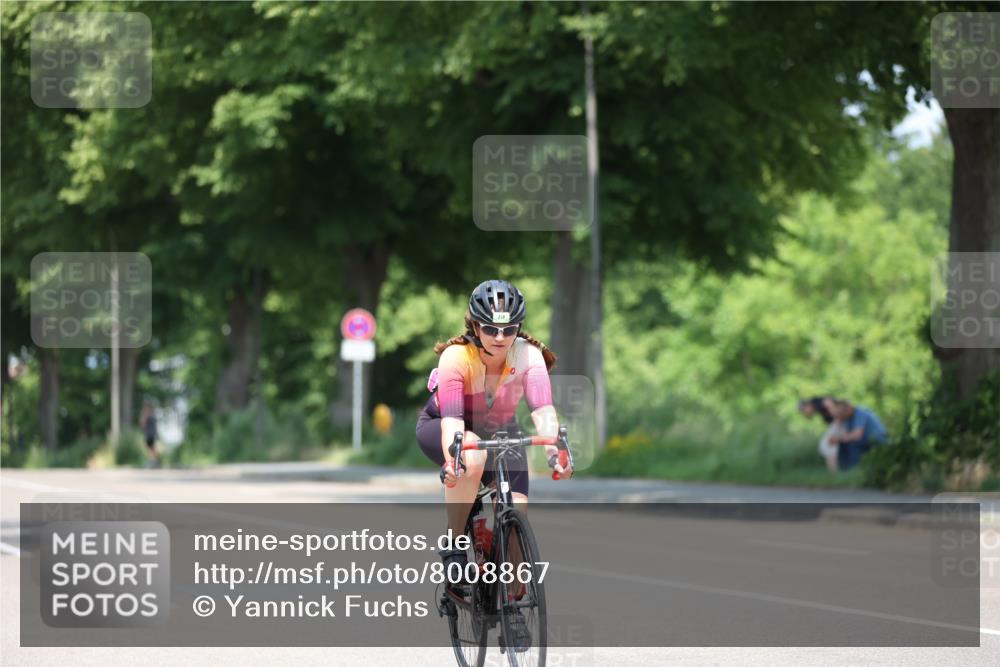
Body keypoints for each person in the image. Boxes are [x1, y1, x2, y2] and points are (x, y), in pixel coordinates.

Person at [416, 279, 573, 650]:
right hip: (447, 425)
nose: (500, 337)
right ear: (475, 325)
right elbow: (453, 424)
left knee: (517, 510)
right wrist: (455, 459)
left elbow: (543, 411)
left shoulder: (529, 355)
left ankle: (513, 604)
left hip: (502, 429)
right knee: (472, 455)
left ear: (519, 327)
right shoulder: (456, 357)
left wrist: (555, 450)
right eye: (490, 328)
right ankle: (456, 546)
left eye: (509, 329)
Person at [826, 399, 888, 470]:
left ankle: (854, 468)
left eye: (841, 413)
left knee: (850, 442)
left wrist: (839, 439)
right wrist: (836, 438)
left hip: (877, 441)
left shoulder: (860, 412)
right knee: (842, 444)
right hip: (865, 441)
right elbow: (846, 435)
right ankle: (846, 470)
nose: (841, 416)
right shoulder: (847, 419)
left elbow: (856, 435)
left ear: (848, 408)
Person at [798, 396, 842, 472]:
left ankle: (834, 471)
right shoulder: (816, 407)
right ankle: (836, 471)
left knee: (826, 446)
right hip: (837, 423)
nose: (804, 413)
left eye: (803, 411)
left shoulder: (816, 402)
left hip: (839, 421)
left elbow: (829, 402)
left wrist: (837, 418)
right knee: (831, 447)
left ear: (807, 406)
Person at [139, 401, 160, 467]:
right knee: (152, 448)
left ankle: (152, 462)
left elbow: (142, 424)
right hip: (151, 434)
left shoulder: (147, 415)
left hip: (149, 434)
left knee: (151, 449)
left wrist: (143, 416)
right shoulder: (152, 415)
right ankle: (154, 461)